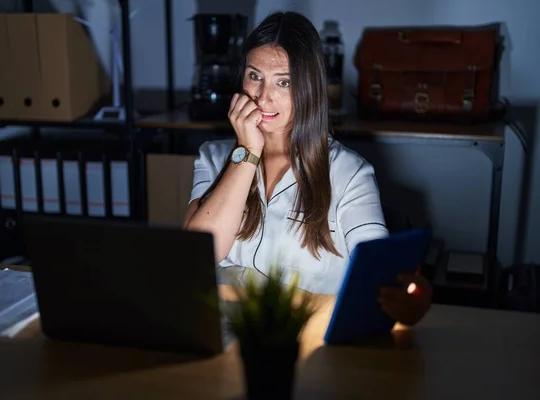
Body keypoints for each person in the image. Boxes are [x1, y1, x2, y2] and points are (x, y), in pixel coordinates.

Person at [183, 11, 431, 326]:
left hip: (308, 345)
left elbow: (380, 275)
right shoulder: (214, 157)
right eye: (254, 76)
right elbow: (196, 257)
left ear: (308, 88)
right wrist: (247, 152)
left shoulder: (350, 174)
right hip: (224, 333)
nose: (263, 97)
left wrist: (411, 296)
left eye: (283, 82)